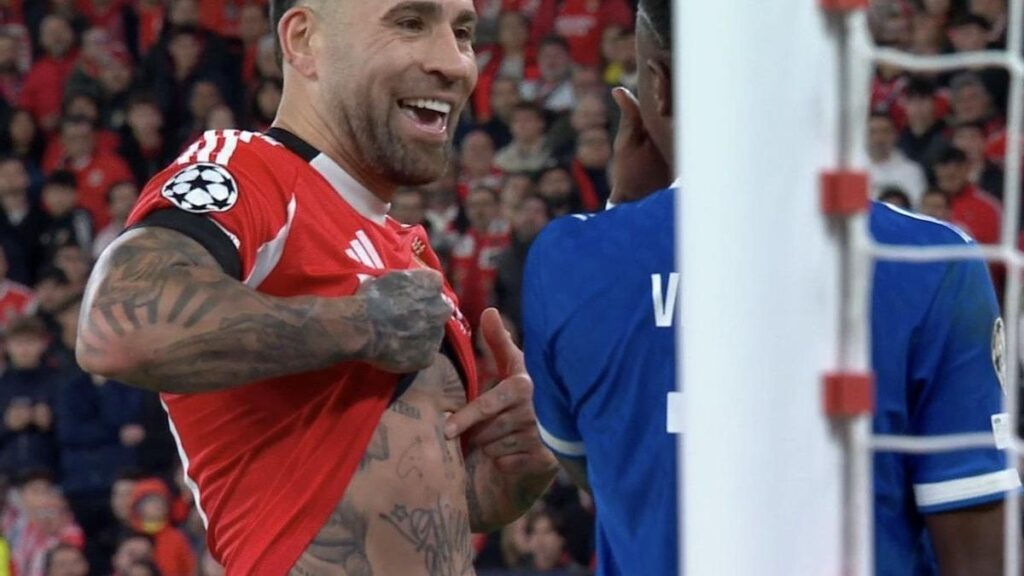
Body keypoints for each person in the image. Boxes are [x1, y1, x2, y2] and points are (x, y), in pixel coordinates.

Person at [524, 1, 1020, 575]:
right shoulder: (931, 262)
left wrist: (624, 216)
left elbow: (606, 468)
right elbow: (977, 549)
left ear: (657, 86)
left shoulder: (566, 261)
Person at [76, 1, 557, 574]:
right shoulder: (250, 170)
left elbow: (401, 506)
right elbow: (115, 324)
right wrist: (362, 324)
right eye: (410, 24)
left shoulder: (407, 248)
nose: (454, 63)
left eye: (463, 33)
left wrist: (505, 478)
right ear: (304, 40)